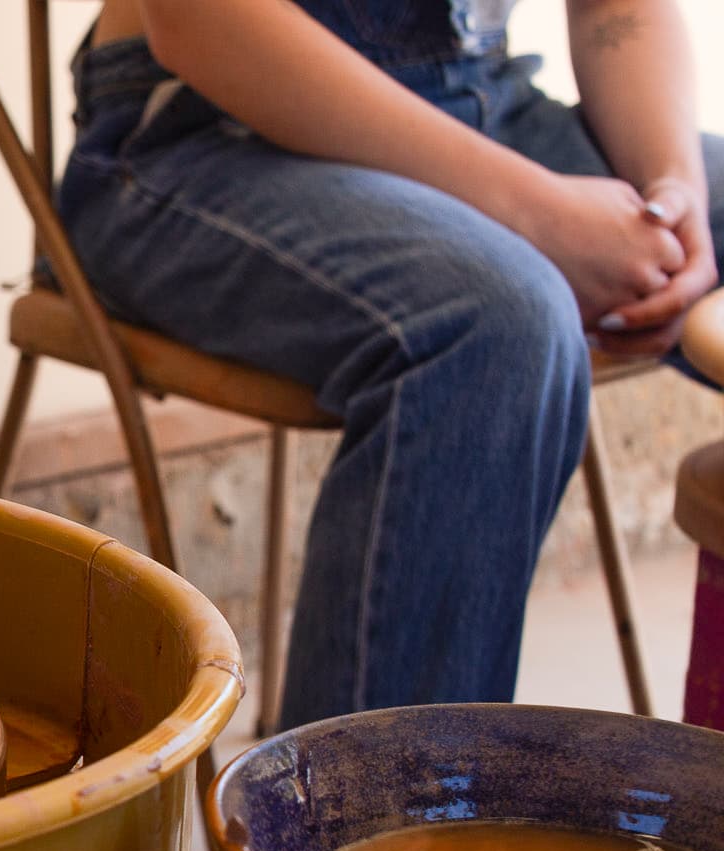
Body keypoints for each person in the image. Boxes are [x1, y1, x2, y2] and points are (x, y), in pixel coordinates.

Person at [58, 0, 717, 728]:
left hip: (477, 97)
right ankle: (367, 800)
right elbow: (202, 22)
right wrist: (541, 214)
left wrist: (675, 195)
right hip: (203, 128)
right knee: (497, 323)